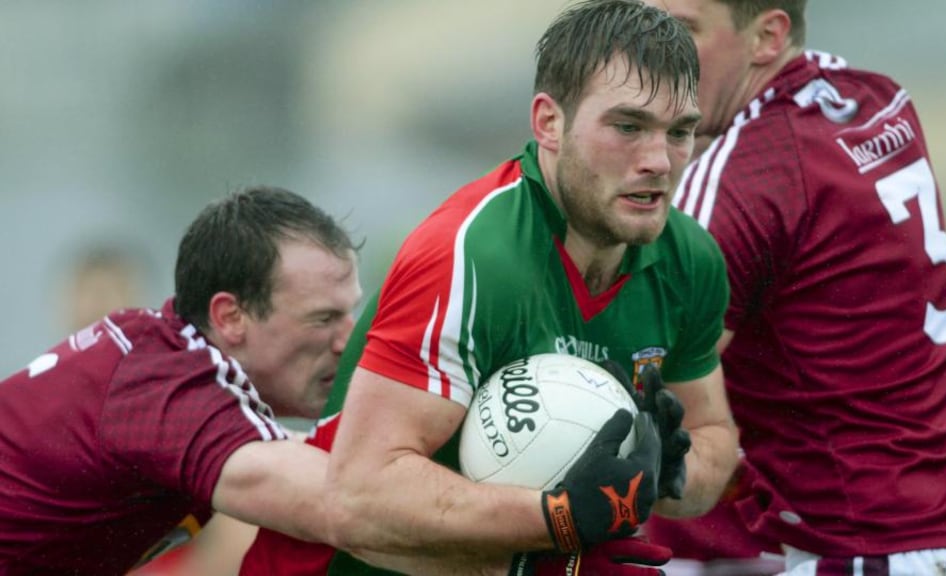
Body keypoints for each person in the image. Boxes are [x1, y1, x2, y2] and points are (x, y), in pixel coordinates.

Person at [240, 1, 739, 574]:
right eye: (627, 126)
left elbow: (712, 436)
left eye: (680, 131)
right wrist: (559, 518)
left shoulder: (690, 261)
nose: (658, 160)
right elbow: (359, 496)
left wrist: (669, 474)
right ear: (549, 123)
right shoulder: (471, 257)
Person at [638, 1, 946, 574]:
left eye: (681, 31)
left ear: (767, 36)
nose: (650, 54)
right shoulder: (879, 101)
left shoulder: (745, 179)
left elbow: (629, 396)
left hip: (856, 554)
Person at [0, 186, 366, 575]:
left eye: (350, 313)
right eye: (323, 318)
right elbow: (344, 505)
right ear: (229, 316)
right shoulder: (160, 388)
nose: (349, 342)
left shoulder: (156, 371)